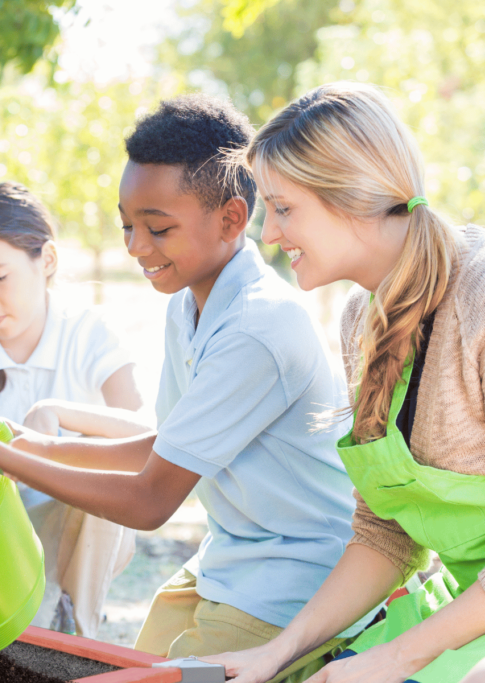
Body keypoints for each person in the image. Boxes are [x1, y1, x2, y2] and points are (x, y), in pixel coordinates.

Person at [0, 94, 367, 682]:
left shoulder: (258, 327)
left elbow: (150, 501)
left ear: (231, 218)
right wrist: (28, 442)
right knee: (121, 666)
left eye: (157, 228)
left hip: (291, 579)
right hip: (230, 561)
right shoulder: (189, 305)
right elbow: (164, 445)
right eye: (127, 225)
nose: (135, 247)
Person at [200, 82, 485, 683]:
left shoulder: (478, 302)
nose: (268, 235)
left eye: (282, 208)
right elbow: (386, 534)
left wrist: (393, 661)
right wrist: (278, 653)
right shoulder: (362, 320)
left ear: (353, 196)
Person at [0, 181, 143, 637]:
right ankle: (42, 627)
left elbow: (148, 436)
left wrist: (54, 417)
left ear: (47, 260)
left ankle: (76, 629)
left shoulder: (88, 335)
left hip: (84, 541)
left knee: (89, 472)